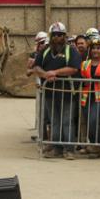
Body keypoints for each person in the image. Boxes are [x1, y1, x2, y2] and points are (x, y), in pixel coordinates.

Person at [33, 22, 82, 159]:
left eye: (60, 35)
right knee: (54, 121)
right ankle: (56, 147)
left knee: (67, 121)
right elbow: (36, 67)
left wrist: (55, 72)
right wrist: (45, 75)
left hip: (67, 94)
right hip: (50, 93)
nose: (57, 38)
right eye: (54, 35)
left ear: (64, 36)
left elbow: (73, 68)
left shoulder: (71, 51)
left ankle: (69, 149)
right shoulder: (45, 51)